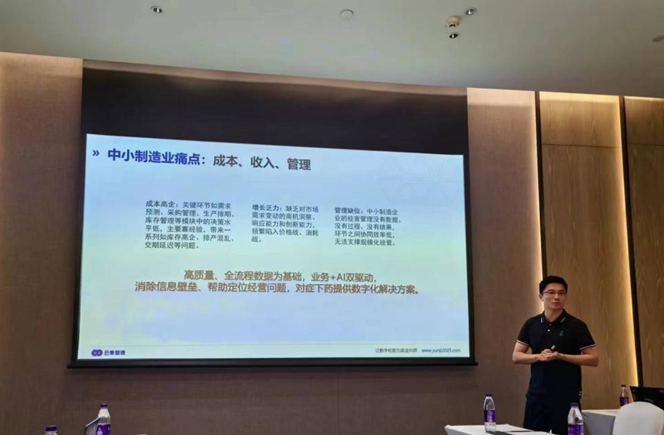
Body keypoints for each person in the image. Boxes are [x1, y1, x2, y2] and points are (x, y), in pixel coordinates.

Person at [512, 275, 599, 435]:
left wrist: (561, 356)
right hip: (537, 394)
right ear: (541, 296)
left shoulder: (576, 325)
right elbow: (516, 356)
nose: (556, 297)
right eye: (551, 292)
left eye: (561, 293)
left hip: (566, 395)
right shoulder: (531, 324)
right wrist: (538, 357)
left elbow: (593, 359)